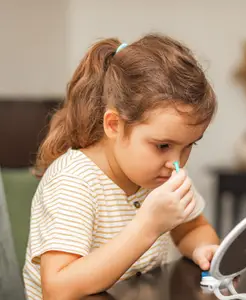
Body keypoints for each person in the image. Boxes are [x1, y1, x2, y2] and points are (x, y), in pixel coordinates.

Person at [23, 34, 219, 300]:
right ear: (114, 124)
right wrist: (148, 226)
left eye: (188, 146)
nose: (176, 163)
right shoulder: (73, 181)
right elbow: (57, 289)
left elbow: (193, 228)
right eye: (162, 146)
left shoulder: (160, 175)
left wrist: (203, 248)